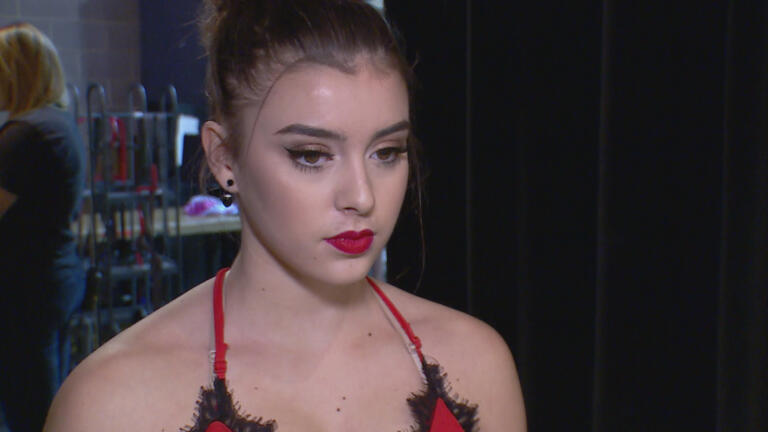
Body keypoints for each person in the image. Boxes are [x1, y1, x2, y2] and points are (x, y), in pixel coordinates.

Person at [44, 1, 526, 431]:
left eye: (386, 152)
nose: (361, 196)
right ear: (224, 158)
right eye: (311, 155)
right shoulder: (113, 404)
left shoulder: (474, 363)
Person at [0, 22, 86, 432]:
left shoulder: (23, 135)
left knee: (31, 411)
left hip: (25, 289)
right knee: (47, 401)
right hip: (55, 277)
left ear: (14, 72)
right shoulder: (57, 123)